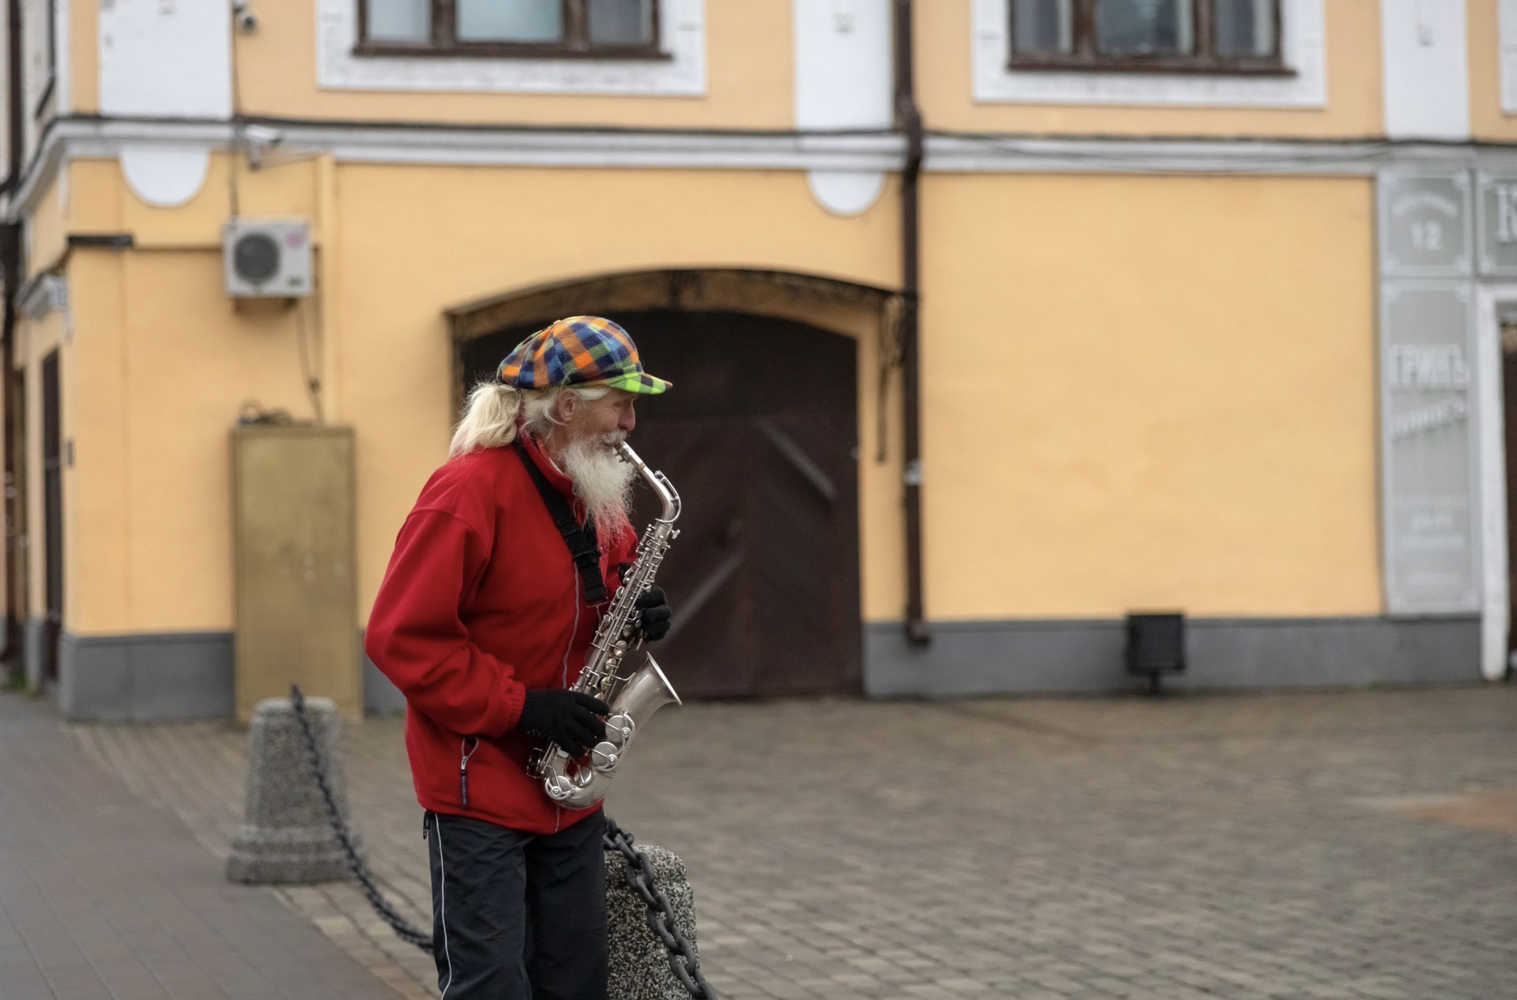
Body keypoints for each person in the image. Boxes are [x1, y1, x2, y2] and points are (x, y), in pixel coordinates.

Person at [365, 316, 675, 1000]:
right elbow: (402, 636)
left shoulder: (591, 490)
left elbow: (604, 589)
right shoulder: (466, 492)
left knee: (575, 980)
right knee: (491, 985)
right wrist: (526, 706)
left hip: (569, 786)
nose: (631, 421)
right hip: (481, 785)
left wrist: (639, 611)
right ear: (566, 406)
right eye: (619, 403)